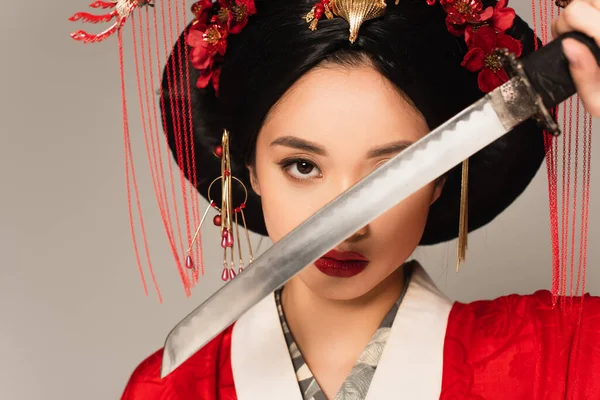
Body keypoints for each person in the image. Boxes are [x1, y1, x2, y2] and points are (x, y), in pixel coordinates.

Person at [113, 0, 600, 398]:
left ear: (439, 179)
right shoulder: (169, 388)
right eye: (302, 166)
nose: (347, 226)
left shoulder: (567, 356)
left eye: (390, 171)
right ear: (248, 167)